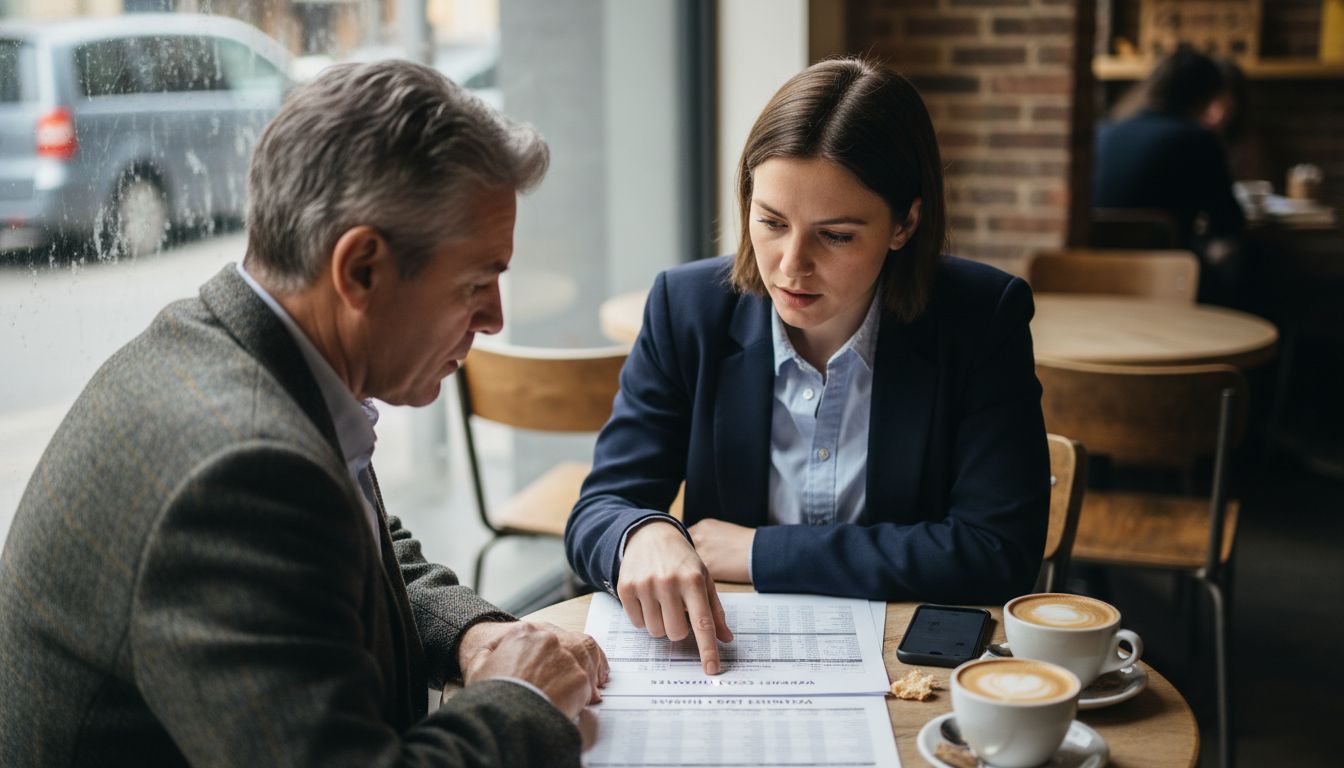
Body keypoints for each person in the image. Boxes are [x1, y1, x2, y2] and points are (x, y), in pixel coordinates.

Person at [0, 61, 607, 766]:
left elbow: (356, 555)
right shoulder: (240, 472)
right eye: (476, 282)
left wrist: (475, 636)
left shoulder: (233, 351)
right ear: (360, 270)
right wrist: (521, 701)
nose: (495, 320)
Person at [565, 57, 1050, 674]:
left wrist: (760, 552)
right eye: (770, 222)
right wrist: (641, 534)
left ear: (905, 222)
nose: (791, 265)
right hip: (729, 657)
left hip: (909, 666)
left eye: (837, 235)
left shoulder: (983, 318)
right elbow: (597, 513)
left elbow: (994, 551)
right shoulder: (686, 308)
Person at [1093, 47, 1247, 303]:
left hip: (1091, 269)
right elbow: (1229, 223)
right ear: (1206, 96)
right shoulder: (1199, 140)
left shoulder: (1104, 132)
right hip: (1166, 276)